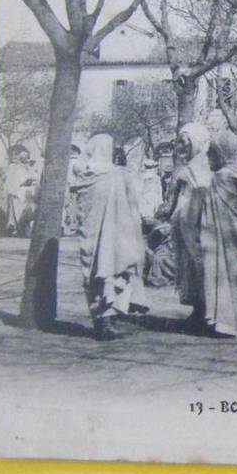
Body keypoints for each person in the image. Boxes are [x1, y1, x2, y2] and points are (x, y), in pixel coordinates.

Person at [75, 134, 149, 340]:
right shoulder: (118, 175)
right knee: (113, 274)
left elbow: (81, 210)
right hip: (116, 238)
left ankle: (102, 321)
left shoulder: (85, 177)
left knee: (96, 275)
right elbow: (133, 205)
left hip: (97, 238)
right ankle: (108, 320)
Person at [201, 130, 237, 337]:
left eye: (212, 153)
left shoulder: (220, 179)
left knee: (225, 275)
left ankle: (227, 321)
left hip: (223, 236)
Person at [160, 122, 213, 329]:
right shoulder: (186, 168)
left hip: (200, 226)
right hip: (185, 225)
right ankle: (197, 309)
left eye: (185, 142)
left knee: (202, 266)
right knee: (189, 267)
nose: (181, 147)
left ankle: (208, 311)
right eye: (179, 142)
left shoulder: (205, 167)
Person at [3, 144, 37, 237]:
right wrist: (16, 187)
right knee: (16, 212)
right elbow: (10, 180)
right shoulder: (12, 167)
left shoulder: (29, 167)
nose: (25, 158)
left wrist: (30, 181)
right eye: (22, 156)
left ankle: (25, 230)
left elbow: (34, 178)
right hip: (17, 192)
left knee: (27, 211)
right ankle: (14, 229)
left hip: (28, 193)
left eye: (26, 157)